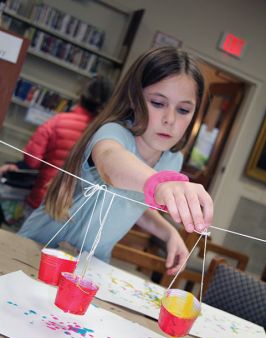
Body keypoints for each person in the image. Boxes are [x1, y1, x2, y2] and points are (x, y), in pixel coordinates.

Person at [19, 46, 213, 275]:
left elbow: (132, 203)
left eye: (183, 110)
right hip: (38, 250)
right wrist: (161, 183)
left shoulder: (172, 160)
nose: (169, 119)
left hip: (89, 267)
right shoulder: (113, 133)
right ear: (134, 98)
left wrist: (169, 233)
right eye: (158, 103)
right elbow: (111, 163)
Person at [0, 75, 113, 214]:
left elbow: (32, 160)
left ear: (82, 95)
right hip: (75, 209)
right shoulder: (106, 134)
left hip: (43, 199)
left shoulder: (57, 122)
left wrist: (15, 166)